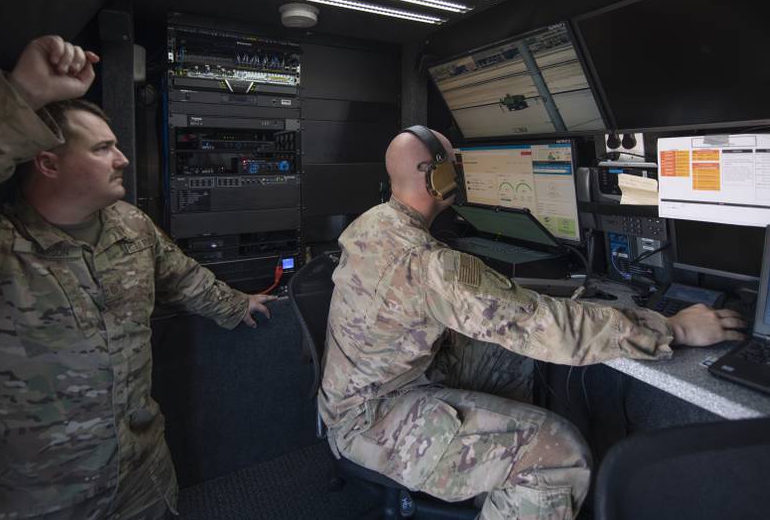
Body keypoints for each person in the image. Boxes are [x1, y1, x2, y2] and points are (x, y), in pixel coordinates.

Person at [0, 36, 276, 520]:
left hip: (140, 476)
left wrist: (236, 305)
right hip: (33, 497)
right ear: (48, 162)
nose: (122, 159)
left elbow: (183, 277)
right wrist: (22, 94)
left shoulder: (130, 226)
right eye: (103, 148)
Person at [319, 126, 747, 520]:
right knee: (558, 454)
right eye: (455, 164)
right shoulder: (429, 264)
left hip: (372, 390)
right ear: (437, 175)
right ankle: (526, 479)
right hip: (372, 421)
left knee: (512, 355)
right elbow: (540, 326)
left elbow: (510, 319)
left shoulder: (374, 223)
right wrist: (674, 329)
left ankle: (499, 486)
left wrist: (518, 303)